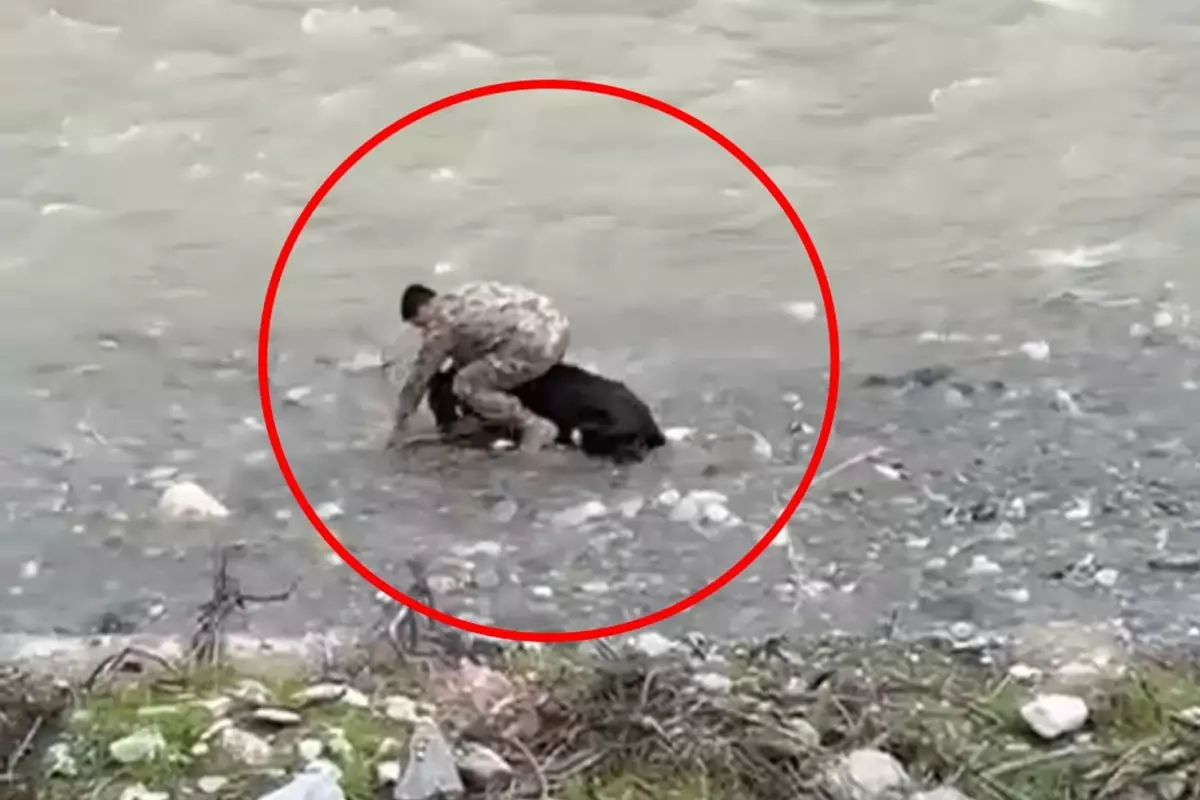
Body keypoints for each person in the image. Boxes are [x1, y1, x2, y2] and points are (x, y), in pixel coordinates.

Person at [387, 280, 571, 453]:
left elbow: (419, 379)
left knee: (466, 383)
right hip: (557, 326)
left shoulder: (440, 323)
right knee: (476, 362)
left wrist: (400, 422)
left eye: (421, 325)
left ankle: (531, 424)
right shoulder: (466, 292)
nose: (424, 330)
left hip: (536, 344)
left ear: (427, 306)